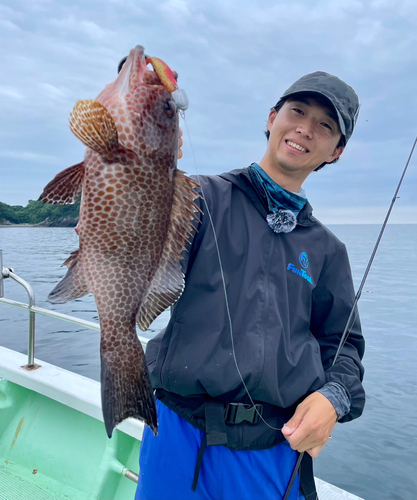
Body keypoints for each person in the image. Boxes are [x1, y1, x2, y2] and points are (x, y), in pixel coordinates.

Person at [135, 71, 365, 500]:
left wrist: (335, 396)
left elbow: (344, 344)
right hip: (176, 431)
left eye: (325, 126)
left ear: (335, 152)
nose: (305, 129)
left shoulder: (328, 251)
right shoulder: (197, 197)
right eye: (297, 111)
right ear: (272, 117)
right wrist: (140, 157)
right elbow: (141, 250)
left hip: (273, 444)